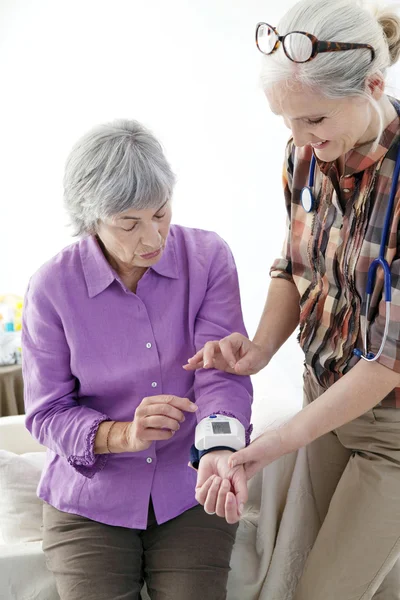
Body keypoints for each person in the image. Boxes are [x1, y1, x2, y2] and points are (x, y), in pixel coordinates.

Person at [185, 1, 400, 598]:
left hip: (391, 427)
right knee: (334, 580)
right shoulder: (304, 155)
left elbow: (388, 362)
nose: (300, 138)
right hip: (324, 399)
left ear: (373, 85)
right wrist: (257, 351)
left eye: (312, 120)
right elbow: (294, 267)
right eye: (287, 122)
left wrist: (268, 448)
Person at [22, 119, 252, 600]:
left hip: (189, 487)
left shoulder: (208, 258)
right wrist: (122, 434)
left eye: (161, 213)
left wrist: (218, 448)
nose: (153, 237)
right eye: (129, 223)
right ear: (92, 221)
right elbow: (46, 413)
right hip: (89, 501)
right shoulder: (51, 288)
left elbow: (222, 375)